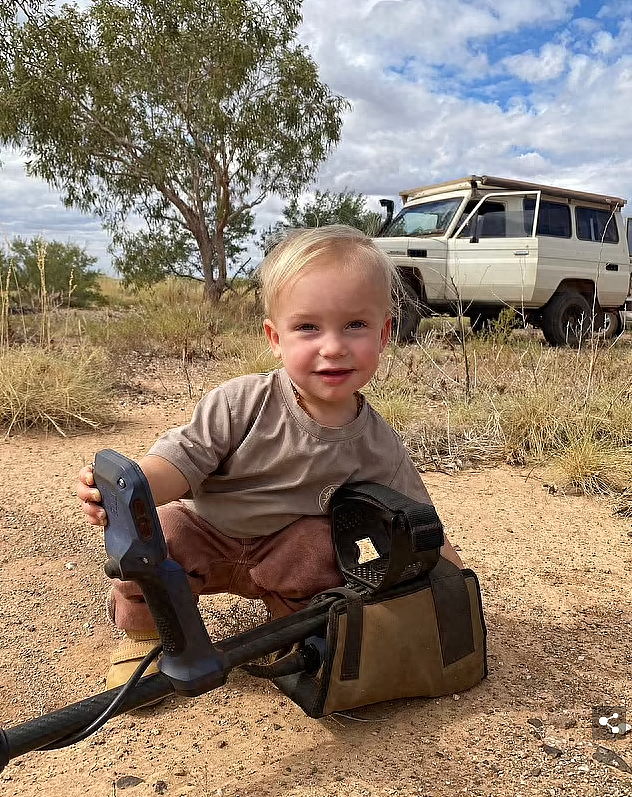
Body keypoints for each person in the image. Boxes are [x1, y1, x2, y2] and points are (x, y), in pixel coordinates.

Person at [77, 224, 463, 690]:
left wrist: (455, 584)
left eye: (355, 325)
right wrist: (129, 492)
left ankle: (296, 636)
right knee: (164, 530)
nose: (334, 346)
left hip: (284, 557)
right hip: (209, 534)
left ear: (384, 334)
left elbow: (420, 521)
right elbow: (178, 464)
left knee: (324, 548)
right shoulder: (240, 402)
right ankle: (145, 637)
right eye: (307, 327)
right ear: (275, 338)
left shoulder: (378, 443)